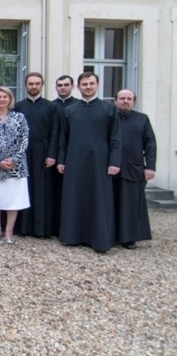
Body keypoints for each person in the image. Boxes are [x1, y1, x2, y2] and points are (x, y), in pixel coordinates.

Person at [57, 72, 121, 253]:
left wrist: (114, 162)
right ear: (78, 87)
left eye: (91, 83)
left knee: (99, 199)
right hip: (74, 160)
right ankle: (72, 236)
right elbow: (63, 138)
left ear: (97, 85)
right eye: (84, 84)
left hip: (99, 161)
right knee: (74, 197)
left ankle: (99, 239)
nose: (88, 87)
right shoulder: (70, 111)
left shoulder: (108, 109)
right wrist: (61, 160)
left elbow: (116, 138)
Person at [0, 87, 30, 244]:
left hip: (15, 167)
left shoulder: (20, 117)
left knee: (12, 200)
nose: (2, 99)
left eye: (5, 97)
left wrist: (13, 160)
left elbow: (24, 140)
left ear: (10, 99)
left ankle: (9, 232)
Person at [13, 73, 59, 237]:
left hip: (43, 152)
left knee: (41, 190)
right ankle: (23, 227)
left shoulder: (50, 107)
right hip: (22, 152)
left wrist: (52, 154)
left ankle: (40, 229)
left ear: (42, 85)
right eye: (31, 84)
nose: (34, 87)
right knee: (23, 188)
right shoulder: (18, 107)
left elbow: (55, 132)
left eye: (37, 84)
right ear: (25, 85)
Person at [113, 89, 156, 249]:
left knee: (131, 204)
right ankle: (112, 234)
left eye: (129, 98)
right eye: (122, 98)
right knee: (112, 203)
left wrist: (150, 167)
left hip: (133, 168)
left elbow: (150, 144)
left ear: (133, 101)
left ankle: (129, 237)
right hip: (111, 169)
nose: (125, 101)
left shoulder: (142, 119)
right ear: (115, 101)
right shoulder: (110, 118)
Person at [51, 75, 79, 236]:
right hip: (51, 155)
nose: (63, 87)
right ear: (56, 87)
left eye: (66, 85)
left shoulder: (77, 106)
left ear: (72, 87)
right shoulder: (51, 105)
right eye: (60, 85)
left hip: (72, 156)